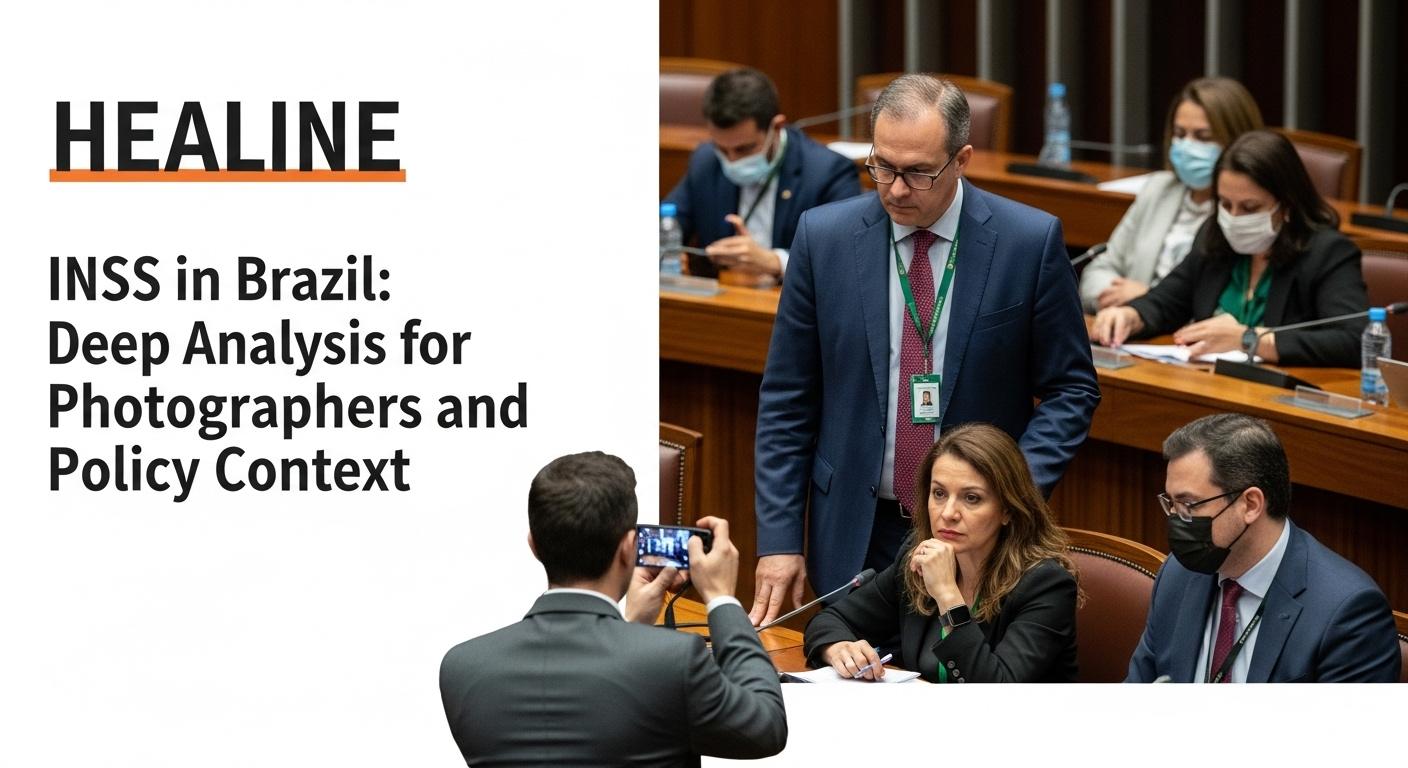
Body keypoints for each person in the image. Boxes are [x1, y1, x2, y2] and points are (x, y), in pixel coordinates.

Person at [750, 74, 1100, 626]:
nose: (894, 188)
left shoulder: (1026, 243)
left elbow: (1071, 387)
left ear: (962, 159)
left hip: (977, 543)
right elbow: (787, 401)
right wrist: (778, 540)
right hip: (853, 532)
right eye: (882, 166)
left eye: (917, 172)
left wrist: (1010, 493)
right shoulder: (824, 237)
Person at [439, 452, 786, 764]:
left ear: (534, 545)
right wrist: (721, 597)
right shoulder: (675, 662)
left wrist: (633, 628)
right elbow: (764, 728)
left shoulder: (461, 667)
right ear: (630, 548)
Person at [1127, 414, 1400, 683]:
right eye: (1171, 504)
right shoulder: (1178, 575)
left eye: (1189, 505)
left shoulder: (1347, 613)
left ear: (1251, 505)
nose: (1176, 519)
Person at [804, 424, 1079, 683]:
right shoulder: (918, 557)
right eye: (939, 493)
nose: (948, 513)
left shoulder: (1045, 586)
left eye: (971, 498)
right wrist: (838, 648)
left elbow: (997, 690)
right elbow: (831, 619)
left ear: (1008, 509)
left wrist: (948, 595)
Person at [1092, 130, 1369, 366]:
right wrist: (1130, 315)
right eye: (1225, 204)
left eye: (1250, 207)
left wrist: (1249, 339)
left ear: (1287, 205)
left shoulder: (1327, 252)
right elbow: (1166, 302)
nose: (1234, 218)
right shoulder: (1215, 238)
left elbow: (1353, 340)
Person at [1079, 77, 1264, 313]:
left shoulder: (1242, 212)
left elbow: (1235, 308)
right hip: (1130, 330)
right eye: (1180, 134)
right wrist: (1120, 303)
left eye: (1203, 137)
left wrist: (1151, 300)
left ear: (1237, 139)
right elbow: (1099, 270)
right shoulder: (1158, 189)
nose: (1187, 146)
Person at [664, 67, 860, 280]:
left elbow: (845, 257)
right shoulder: (706, 160)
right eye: (722, 149)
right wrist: (665, 250)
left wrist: (775, 262)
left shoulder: (828, 173)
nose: (731, 161)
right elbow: (666, 221)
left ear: (776, 127)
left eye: (744, 149)